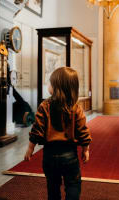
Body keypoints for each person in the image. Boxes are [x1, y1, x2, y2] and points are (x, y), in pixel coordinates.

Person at [24, 67, 92, 200]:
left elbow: (37, 129)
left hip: (49, 155)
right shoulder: (75, 108)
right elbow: (83, 131)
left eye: (50, 83)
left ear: (57, 87)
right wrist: (85, 150)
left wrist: (30, 148)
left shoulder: (44, 106)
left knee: (53, 186)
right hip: (70, 155)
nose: (48, 85)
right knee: (73, 185)